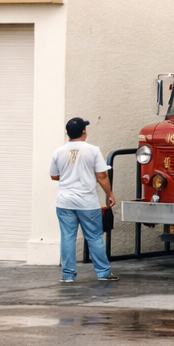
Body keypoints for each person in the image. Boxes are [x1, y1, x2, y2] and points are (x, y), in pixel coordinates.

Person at [50, 117, 117, 282]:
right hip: (87, 202)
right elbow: (102, 175)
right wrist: (110, 194)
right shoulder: (93, 150)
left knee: (67, 237)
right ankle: (103, 273)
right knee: (94, 237)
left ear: (68, 134)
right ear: (84, 132)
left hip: (64, 201)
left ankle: (67, 275)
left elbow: (54, 175)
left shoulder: (58, 152)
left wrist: (69, 176)